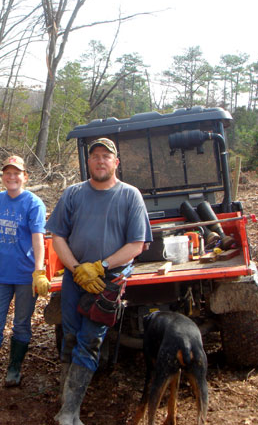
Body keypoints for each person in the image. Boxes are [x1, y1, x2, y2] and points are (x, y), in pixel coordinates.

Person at [45, 138, 152, 425]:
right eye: (95, 156)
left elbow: (137, 244)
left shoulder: (130, 196)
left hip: (108, 281)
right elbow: (57, 237)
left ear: (116, 162)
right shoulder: (73, 194)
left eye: (106, 156)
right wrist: (78, 268)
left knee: (90, 340)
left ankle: (69, 412)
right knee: (69, 336)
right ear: (88, 162)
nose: (100, 160)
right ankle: (64, 402)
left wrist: (101, 266)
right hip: (74, 277)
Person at [0, 155, 51, 394]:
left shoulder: (33, 203)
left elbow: (38, 239)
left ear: (24, 177)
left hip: (26, 275)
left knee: (21, 325)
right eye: (7, 173)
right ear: (2, 177)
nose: (12, 177)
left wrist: (39, 271)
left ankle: (13, 370)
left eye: (16, 173)